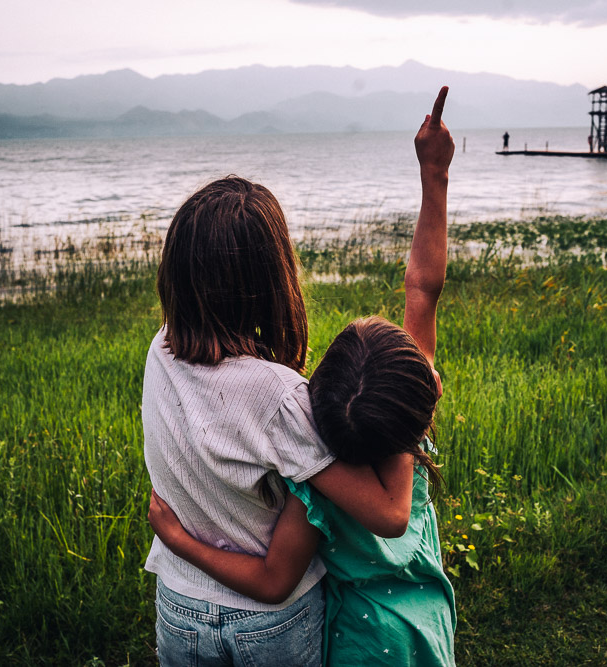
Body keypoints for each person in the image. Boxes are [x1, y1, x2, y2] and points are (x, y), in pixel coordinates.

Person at [148, 87, 456, 666]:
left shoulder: (159, 351)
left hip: (183, 603)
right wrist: (434, 173)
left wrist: (179, 541)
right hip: (331, 629)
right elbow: (423, 289)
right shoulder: (297, 410)